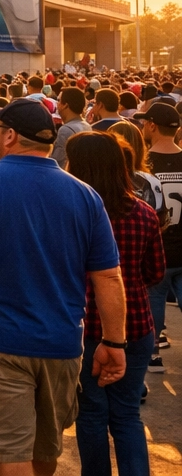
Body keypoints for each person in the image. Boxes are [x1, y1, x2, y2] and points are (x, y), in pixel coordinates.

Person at [0, 98, 126, 476]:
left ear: (10, 136)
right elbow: (108, 276)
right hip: (62, 344)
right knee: (44, 447)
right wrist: (114, 342)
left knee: (9, 450)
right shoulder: (84, 195)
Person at [65, 131, 164, 476]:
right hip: (135, 324)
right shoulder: (144, 213)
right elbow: (155, 272)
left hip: (84, 326)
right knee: (126, 415)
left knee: (90, 413)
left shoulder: (71, 214)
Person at [133, 101, 182, 372]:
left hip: (158, 250)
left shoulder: (145, 164)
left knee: (154, 303)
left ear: (152, 125)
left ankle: (152, 355)